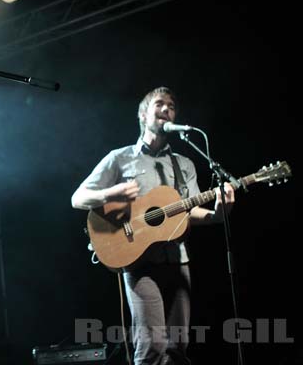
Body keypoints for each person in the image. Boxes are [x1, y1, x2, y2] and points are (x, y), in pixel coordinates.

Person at [71, 87, 235, 365]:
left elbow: (188, 209)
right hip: (138, 262)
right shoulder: (120, 158)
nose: (166, 110)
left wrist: (218, 215)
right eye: (159, 104)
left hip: (178, 260)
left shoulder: (184, 163)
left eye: (171, 106)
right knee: (152, 347)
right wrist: (109, 194)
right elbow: (78, 198)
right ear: (143, 114)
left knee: (178, 347)